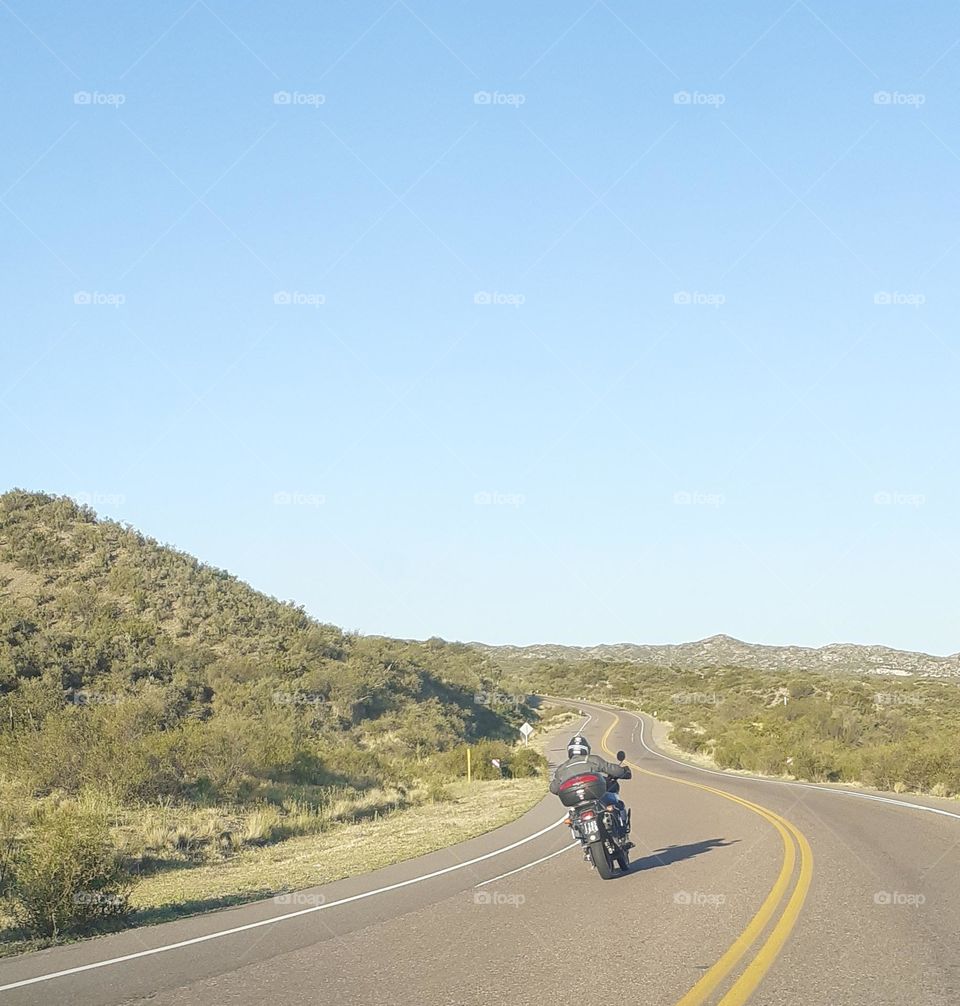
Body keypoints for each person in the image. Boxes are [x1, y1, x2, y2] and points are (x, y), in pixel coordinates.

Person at [549, 734, 632, 838]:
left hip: (576, 803)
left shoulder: (561, 769)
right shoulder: (593, 760)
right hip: (596, 799)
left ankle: (584, 839)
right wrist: (623, 771)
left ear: (569, 751)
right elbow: (611, 768)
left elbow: (553, 788)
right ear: (586, 749)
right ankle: (621, 830)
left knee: (574, 818)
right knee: (616, 803)